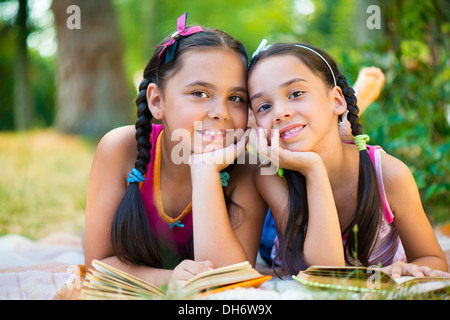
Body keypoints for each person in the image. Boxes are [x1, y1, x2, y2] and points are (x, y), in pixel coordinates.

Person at [84, 13, 267, 290]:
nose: (221, 112)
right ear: (157, 101)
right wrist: (169, 280)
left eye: (235, 98)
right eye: (200, 93)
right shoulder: (120, 149)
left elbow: (231, 282)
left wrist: (205, 170)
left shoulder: (247, 168)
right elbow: (96, 265)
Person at [247, 41, 448, 278]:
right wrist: (313, 169)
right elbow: (326, 270)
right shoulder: (269, 177)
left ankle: (348, 117)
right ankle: (344, 121)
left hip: (343, 163)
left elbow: (434, 259)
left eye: (296, 93)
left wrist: (412, 268)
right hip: (279, 231)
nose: (280, 112)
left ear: (337, 100)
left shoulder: (390, 175)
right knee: (250, 160)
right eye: (264, 106)